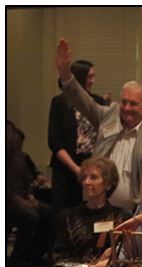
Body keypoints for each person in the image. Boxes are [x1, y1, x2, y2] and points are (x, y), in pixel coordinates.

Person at [55, 38, 142, 211]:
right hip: (98, 208)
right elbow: (82, 101)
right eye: (124, 102)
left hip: (135, 213)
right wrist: (65, 73)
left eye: (133, 104)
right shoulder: (110, 116)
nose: (126, 108)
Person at [48, 59, 107, 210]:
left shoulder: (98, 101)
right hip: (66, 167)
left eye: (94, 76)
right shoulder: (59, 102)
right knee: (63, 212)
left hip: (91, 165)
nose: (93, 81)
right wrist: (76, 169)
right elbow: (55, 141)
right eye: (89, 77)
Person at [6, 120, 52, 267]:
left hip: (23, 198)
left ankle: (33, 255)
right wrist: (19, 200)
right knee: (31, 216)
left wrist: (30, 196)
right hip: (9, 201)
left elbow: (28, 178)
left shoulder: (20, 157)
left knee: (50, 213)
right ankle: (17, 257)